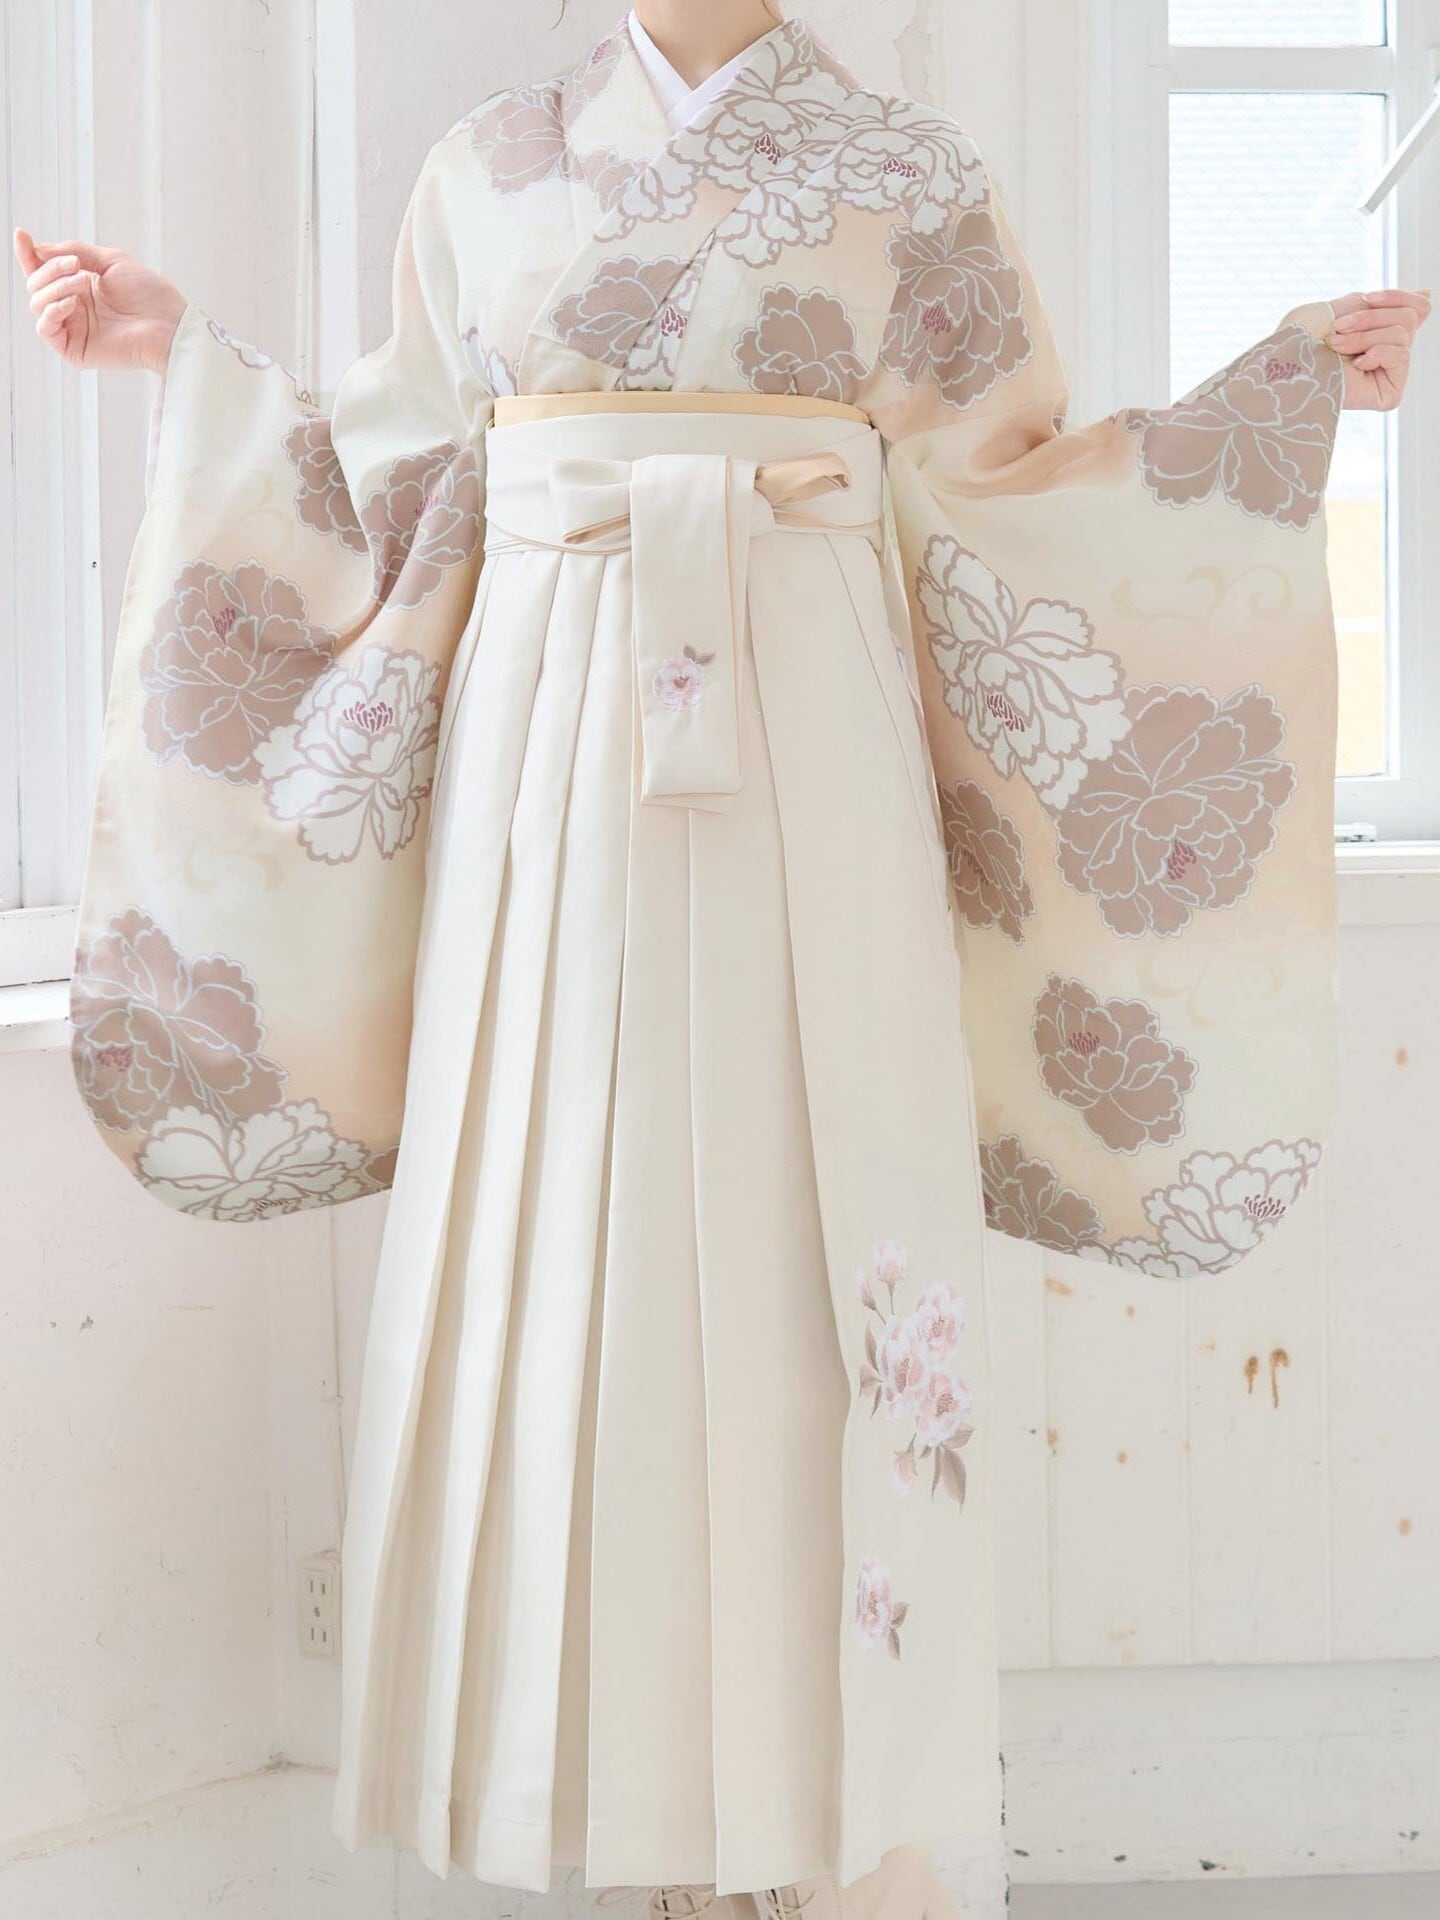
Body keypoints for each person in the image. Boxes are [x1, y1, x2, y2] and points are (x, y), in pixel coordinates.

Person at [15, 3, 1429, 1916]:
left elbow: (1020, 486)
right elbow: (387, 486)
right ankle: (595, 1803)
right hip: (546, 746)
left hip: (814, 739)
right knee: (566, 1208)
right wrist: (177, 348)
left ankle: (829, 1819)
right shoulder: (488, 166)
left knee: (808, 1208)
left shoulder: (912, 173)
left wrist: (1279, 400)